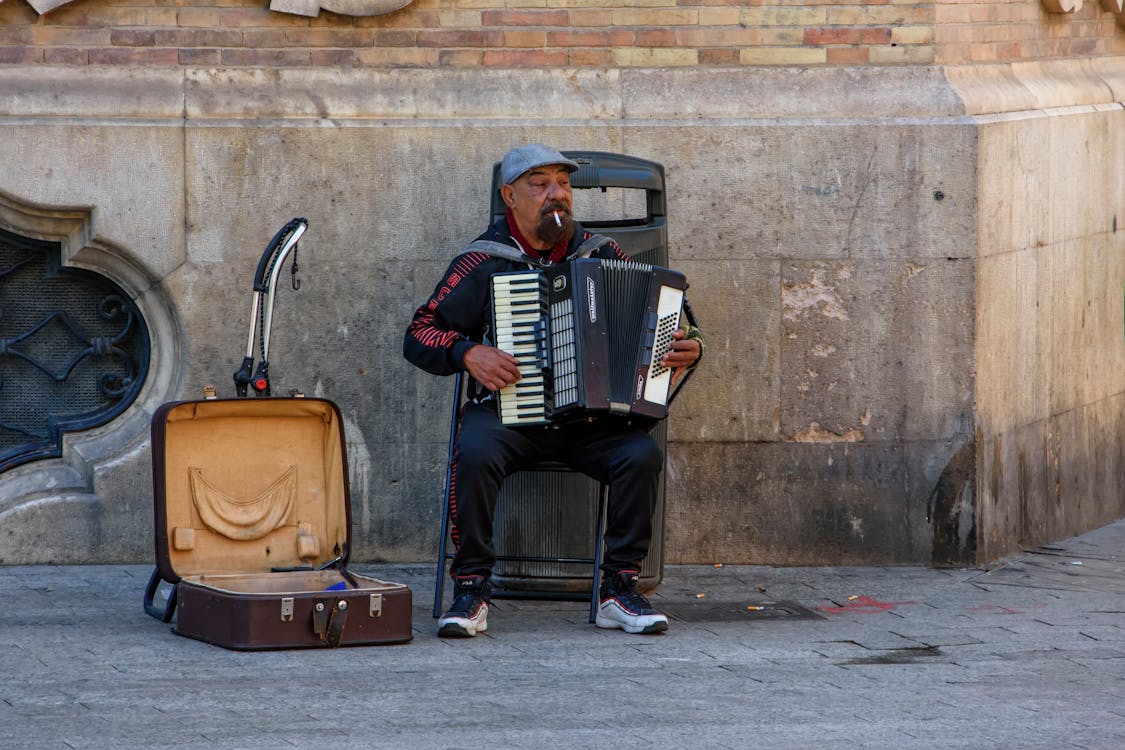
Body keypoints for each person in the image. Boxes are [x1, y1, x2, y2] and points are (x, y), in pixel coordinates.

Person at [403, 144, 703, 638]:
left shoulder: (600, 253)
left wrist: (691, 346)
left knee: (640, 454)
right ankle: (472, 588)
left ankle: (618, 591)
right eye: (539, 184)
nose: (555, 195)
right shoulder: (483, 261)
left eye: (563, 184)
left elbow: (680, 324)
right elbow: (420, 332)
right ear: (510, 196)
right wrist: (467, 353)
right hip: (509, 417)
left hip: (591, 423)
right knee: (474, 449)